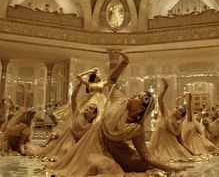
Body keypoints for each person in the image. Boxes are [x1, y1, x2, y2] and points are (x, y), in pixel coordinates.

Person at [47, 51, 191, 177]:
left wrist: (173, 168)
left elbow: (146, 156)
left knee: (127, 166)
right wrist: (124, 63)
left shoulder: (136, 129)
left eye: (138, 97)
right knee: (96, 166)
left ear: (141, 109)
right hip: (95, 144)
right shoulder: (120, 99)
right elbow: (111, 80)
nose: (134, 94)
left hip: (119, 155)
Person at [36, 81, 98, 159]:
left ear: (94, 114)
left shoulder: (91, 127)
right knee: (66, 150)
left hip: (79, 146)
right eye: (87, 107)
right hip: (68, 142)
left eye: (90, 108)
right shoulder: (78, 114)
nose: (87, 108)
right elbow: (73, 97)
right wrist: (79, 85)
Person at [52, 67, 107, 134]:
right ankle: (85, 130)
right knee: (83, 113)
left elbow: (112, 80)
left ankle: (97, 132)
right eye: (98, 73)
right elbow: (79, 76)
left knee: (101, 115)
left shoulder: (102, 83)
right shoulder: (89, 83)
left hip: (101, 100)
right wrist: (89, 71)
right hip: (90, 99)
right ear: (94, 74)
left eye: (100, 73)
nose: (100, 74)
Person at [149, 78, 192, 162]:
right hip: (158, 148)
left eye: (180, 110)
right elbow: (160, 99)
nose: (177, 110)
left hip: (173, 149)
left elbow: (181, 143)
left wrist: (192, 153)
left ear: (181, 116)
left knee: (181, 155)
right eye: (177, 108)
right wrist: (165, 88)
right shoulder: (165, 114)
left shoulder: (178, 127)